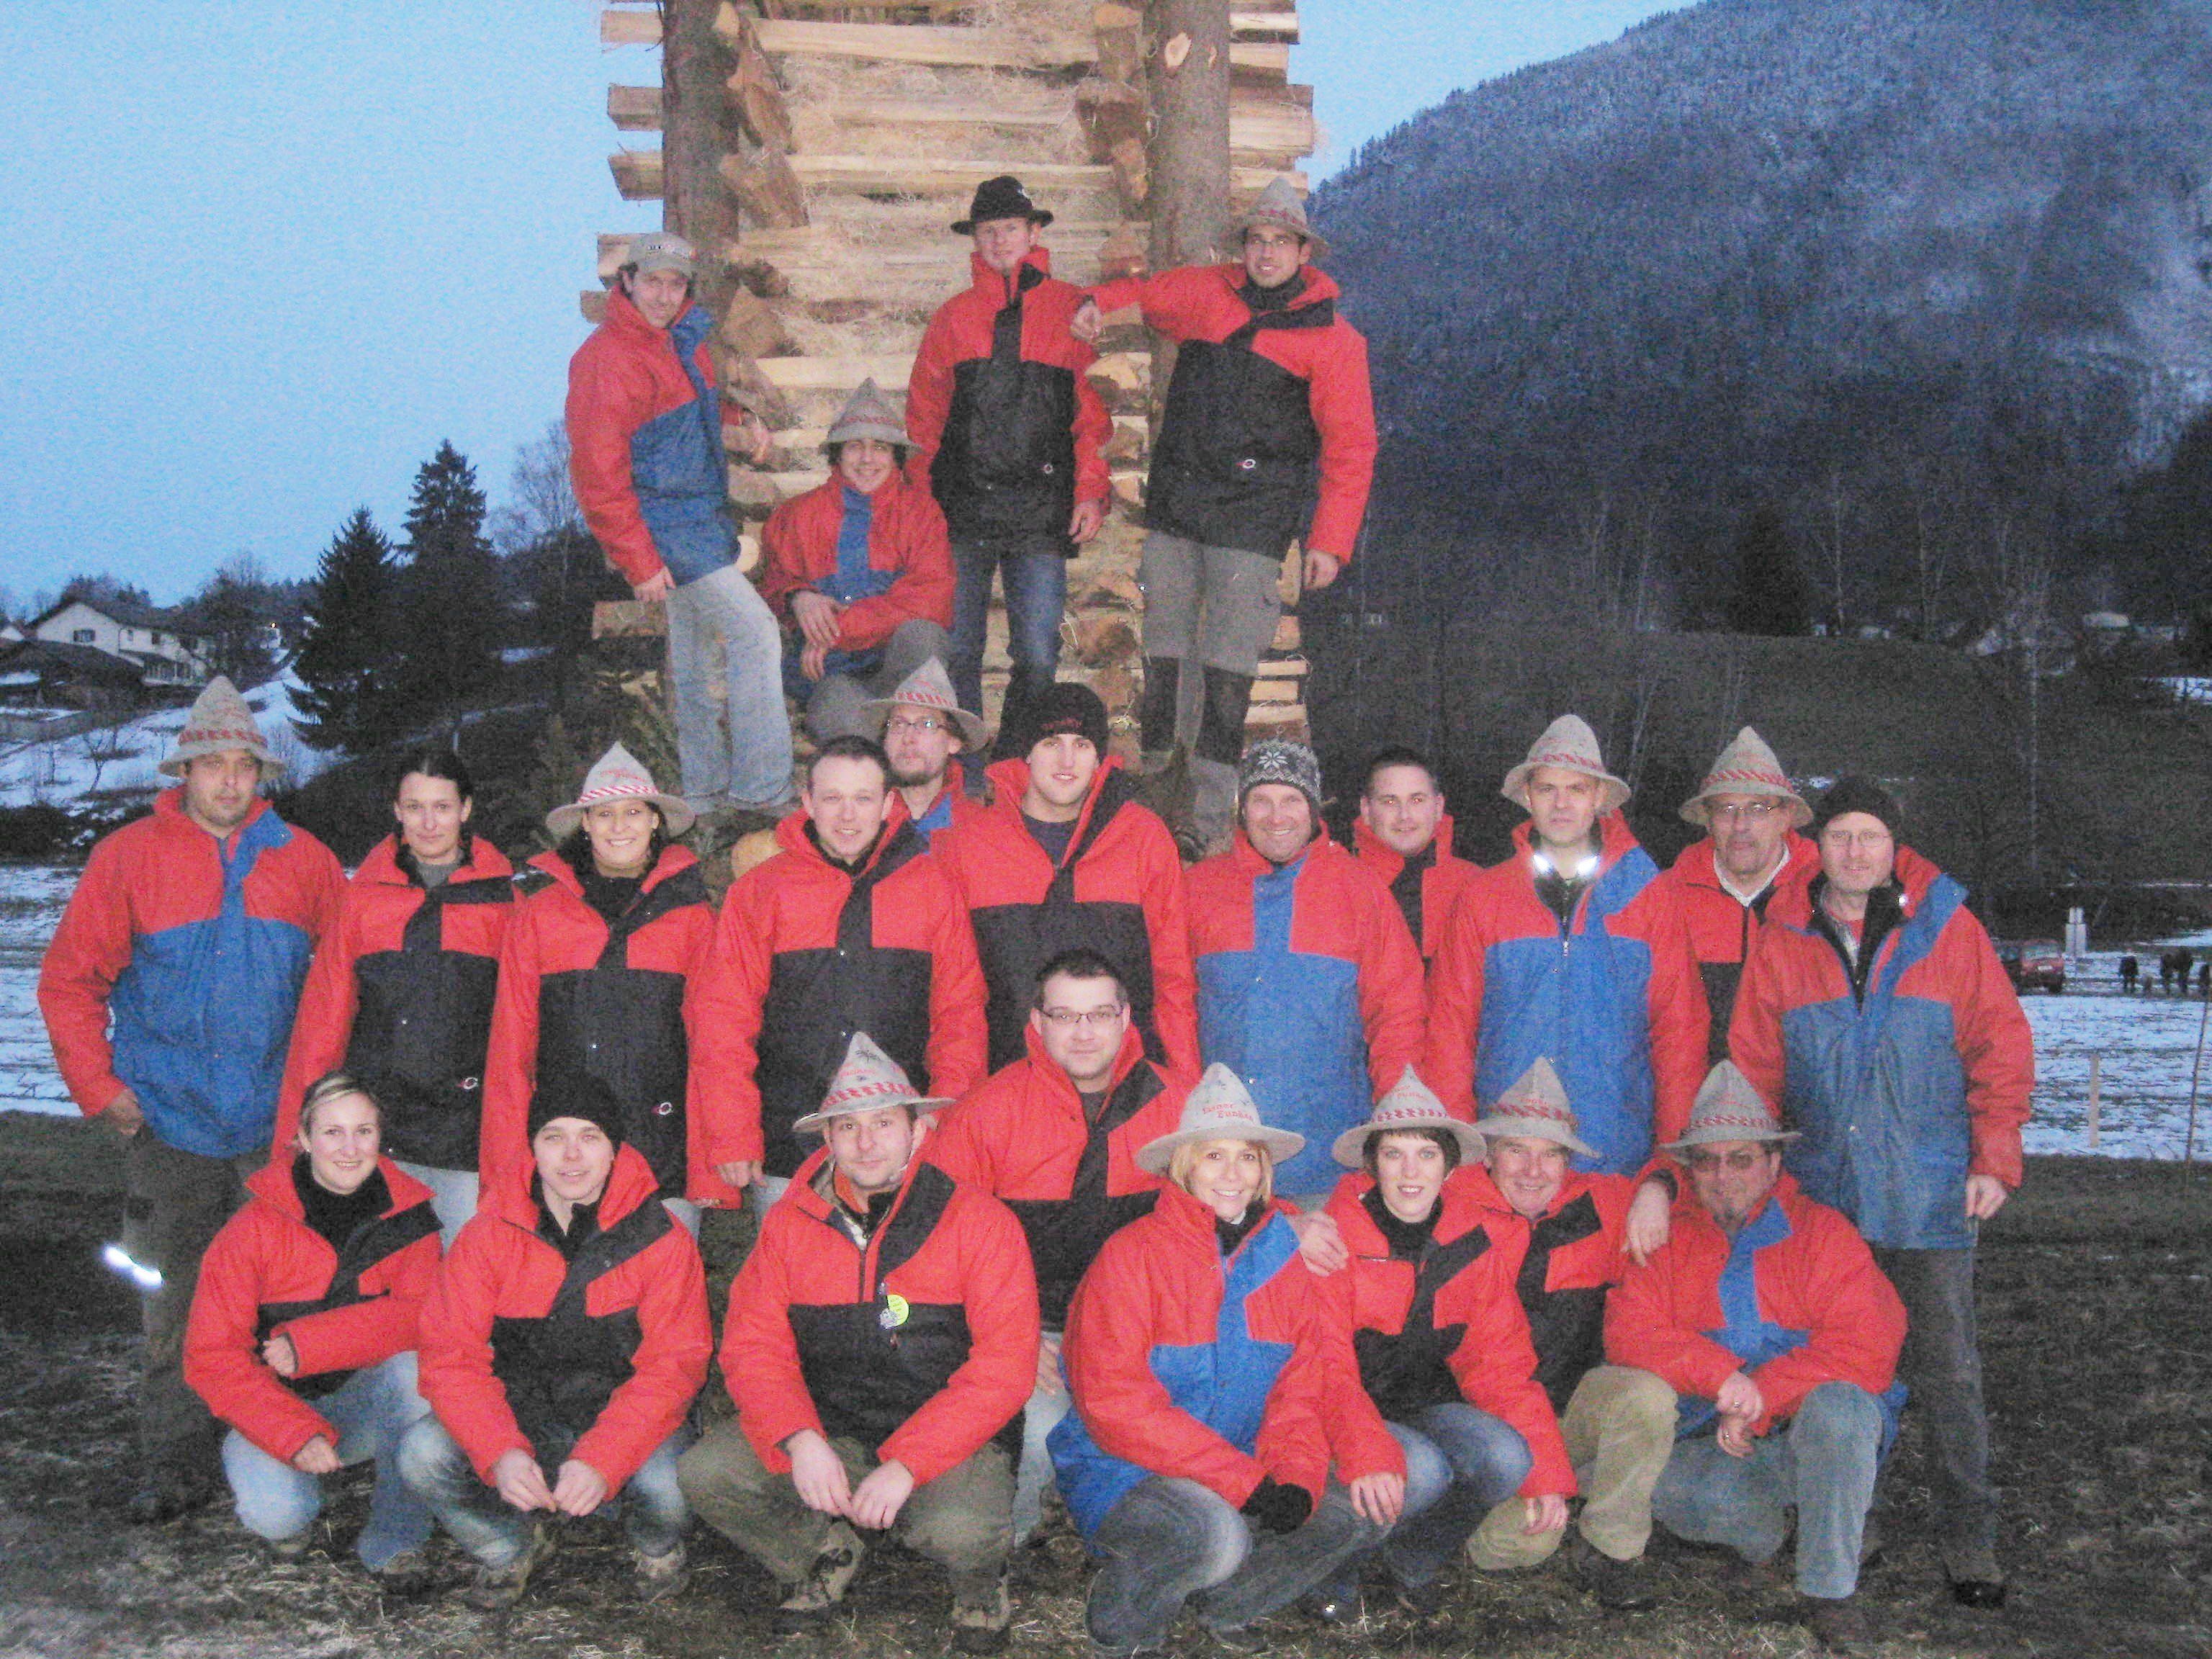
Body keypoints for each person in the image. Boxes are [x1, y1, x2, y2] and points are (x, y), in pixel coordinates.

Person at [40, 675, 344, 1521]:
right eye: (212, 765)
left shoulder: (306, 861)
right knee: (173, 1304)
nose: (228, 780)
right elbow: (69, 981)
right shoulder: (128, 857)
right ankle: (173, 1463)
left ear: (262, 774)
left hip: (274, 1133)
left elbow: (344, 985)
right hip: (168, 1126)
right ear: (183, 772)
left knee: (281, 1302)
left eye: (243, 765)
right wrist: (101, 1088)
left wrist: (322, 1105)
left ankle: (278, 1455)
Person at [1730, 777, 2033, 1607]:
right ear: (1816, 844)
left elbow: (2000, 1044)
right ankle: (1839, 1519)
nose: (1855, 851)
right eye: (1840, 836)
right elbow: (1754, 1068)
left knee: (1947, 1372)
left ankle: (1968, 1537)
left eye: (1870, 836)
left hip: (1928, 1195)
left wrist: (1994, 1157)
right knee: (1830, 1365)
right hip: (1825, 1200)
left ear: (1895, 846)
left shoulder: (1948, 929)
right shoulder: (1784, 938)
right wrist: (1753, 1176)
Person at [678, 1035, 1038, 1655]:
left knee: (960, 1529)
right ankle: (824, 1552)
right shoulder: (789, 1225)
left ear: (917, 1132)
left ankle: (981, 1586)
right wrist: (800, 1438)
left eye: (884, 1124)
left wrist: (908, 1464)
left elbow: (1003, 1369)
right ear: (828, 1139)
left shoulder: (979, 1222)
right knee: (708, 1473)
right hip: (833, 1423)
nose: (866, 1143)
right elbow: (753, 1346)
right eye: (848, 1127)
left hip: (945, 1433)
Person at [1049, 1066, 1403, 1653]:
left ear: (1265, 1169)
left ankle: (1227, 1604)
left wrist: (1294, 1478)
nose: (1233, 1175)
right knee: (1216, 1536)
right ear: (1183, 1166)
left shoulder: (1283, 1260)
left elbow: (1299, 1391)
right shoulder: (1131, 1256)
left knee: (1354, 1512)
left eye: (1248, 1158)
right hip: (1122, 1468)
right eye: (1214, 1156)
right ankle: (1124, 1626)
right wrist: (1246, 1484)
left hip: (1240, 1460)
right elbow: (1116, 1406)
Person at [1072, 176, 1377, 843]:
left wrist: (1330, 541)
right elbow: (1146, 294)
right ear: (1244, 246)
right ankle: (1157, 803)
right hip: (1179, 509)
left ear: (1304, 252)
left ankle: (1208, 824)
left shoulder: (1333, 338)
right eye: (1257, 240)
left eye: (1281, 242)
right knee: (1165, 658)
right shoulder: (1207, 292)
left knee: (1227, 672)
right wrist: (1097, 303)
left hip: (1254, 522)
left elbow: (1351, 448)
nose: (1266, 253)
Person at [1606, 1063, 1907, 1654]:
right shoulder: (1665, 1239)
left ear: (1774, 1163)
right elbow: (1628, 1334)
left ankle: (1830, 1590)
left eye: (1741, 1159)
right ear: (1689, 1170)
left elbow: (1870, 1345)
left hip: (1808, 1432)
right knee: (1627, 1482)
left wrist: (1762, 1394)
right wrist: (1721, 1379)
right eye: (1707, 1161)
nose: (1723, 1176)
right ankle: (1789, 1527)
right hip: (1716, 1443)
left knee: (1843, 1412)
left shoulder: (1823, 1233)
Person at [401, 1080, 709, 1608]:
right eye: (553, 1137)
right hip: (523, 1415)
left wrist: (603, 1458)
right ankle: (508, 1545)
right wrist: (500, 1451)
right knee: (422, 1454)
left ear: (615, 1148)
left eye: (589, 1137)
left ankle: (655, 1546)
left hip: (625, 1417)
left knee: (673, 1486)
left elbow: (675, 1366)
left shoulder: (661, 1238)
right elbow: (451, 1358)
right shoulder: (487, 1234)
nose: (571, 1156)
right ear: (532, 1147)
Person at [926, 948, 1193, 1543]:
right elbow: (937, 1243)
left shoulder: (1175, 1103)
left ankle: (1138, 1534)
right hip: (1034, 1329)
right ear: (1037, 1022)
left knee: (1175, 1420)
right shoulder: (988, 1112)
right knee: (1038, 1436)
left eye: (1099, 1014)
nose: (1084, 1032)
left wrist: (1292, 1223)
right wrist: (1007, 1336)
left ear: (1126, 1018)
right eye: (1065, 1016)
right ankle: (1012, 1544)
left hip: (1142, 1327)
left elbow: (1234, 1188)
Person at [1308, 1069, 1567, 1622]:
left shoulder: (1470, 1244)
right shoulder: (1333, 1240)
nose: (1410, 1172)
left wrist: (1546, 1472)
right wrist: (1365, 1449)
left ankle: (1411, 1562)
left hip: (1419, 1405)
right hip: (1335, 1411)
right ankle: (1331, 1569)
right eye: (1393, 1154)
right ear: (1372, 1164)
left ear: (1449, 1168)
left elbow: (1501, 1363)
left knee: (1507, 1456)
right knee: (1420, 1469)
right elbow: (1325, 1365)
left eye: (1426, 1155)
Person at [697, 735, 987, 1204]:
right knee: (790, 1253)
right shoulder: (760, 892)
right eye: (832, 798)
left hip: (901, 1141)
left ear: (888, 804)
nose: (848, 816)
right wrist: (733, 1131)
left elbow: (961, 1014)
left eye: (863, 799)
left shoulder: (932, 887)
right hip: (790, 1139)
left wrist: (943, 1114)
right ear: (808, 802)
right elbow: (723, 1019)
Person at [567, 230, 792, 821]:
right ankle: (763, 795)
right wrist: (639, 560)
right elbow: (596, 474)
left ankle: (704, 799)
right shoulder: (606, 359)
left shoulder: (679, 339)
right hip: (664, 527)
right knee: (756, 634)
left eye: (675, 284)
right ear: (627, 282)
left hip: (699, 516)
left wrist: (740, 416)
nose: (664, 296)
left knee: (693, 665)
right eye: (653, 282)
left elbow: (693, 405)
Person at [1424, 714, 1708, 1184]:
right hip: (1511, 1154)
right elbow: (1449, 1032)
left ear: (1599, 797)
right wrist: (1461, 1151)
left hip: (1616, 1153)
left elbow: (1680, 1034)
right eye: (1547, 789)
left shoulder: (1647, 896)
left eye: (1576, 789)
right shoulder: (1483, 897)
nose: (1561, 803)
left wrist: (1669, 1165)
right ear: (1527, 796)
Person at [184, 1074, 441, 1586]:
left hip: (365, 1400)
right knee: (279, 1515)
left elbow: (426, 1316)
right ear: (303, 1138)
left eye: (364, 1131)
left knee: (418, 1373)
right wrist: (294, 1434)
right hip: (276, 1408)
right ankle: (287, 1493)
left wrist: (310, 1344)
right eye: (332, 1132)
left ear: (380, 1137)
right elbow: (211, 1356)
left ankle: (397, 1540)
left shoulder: (409, 1217)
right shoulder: (251, 1230)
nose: (349, 1148)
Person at [1444, 1058, 1678, 1606]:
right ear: (1488, 1153)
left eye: (1550, 1153)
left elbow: (1713, 1182)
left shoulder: (1604, 1203)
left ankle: (1611, 1548)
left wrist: (1658, 1188)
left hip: (1563, 1412)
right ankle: (1457, 1523)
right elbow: (1366, 1194)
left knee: (1645, 1396)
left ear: (1569, 1161)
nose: (1533, 1170)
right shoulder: (1446, 1206)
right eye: (1516, 1150)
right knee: (1518, 1547)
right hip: (1479, 1426)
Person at [480, 745, 738, 1226]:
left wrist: (711, 1162)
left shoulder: (692, 918)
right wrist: (506, 1168)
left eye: (633, 812)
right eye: (604, 814)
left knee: (666, 1273)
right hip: (566, 1159)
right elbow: (511, 1047)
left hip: (663, 1152)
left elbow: (715, 1046)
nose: (619, 826)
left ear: (656, 821)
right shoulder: (539, 917)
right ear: (586, 824)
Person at [906, 176, 1112, 765]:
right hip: (962, 508)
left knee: (1039, 656)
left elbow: (1090, 418)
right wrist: (922, 504)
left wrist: (1091, 493)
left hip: (1041, 511)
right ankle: (967, 770)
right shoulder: (953, 318)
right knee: (959, 651)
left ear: (1034, 233)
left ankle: (1019, 767)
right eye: (988, 230)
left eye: (1011, 229)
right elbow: (923, 418)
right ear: (975, 239)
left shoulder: (1070, 310)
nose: (999, 240)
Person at [274, 751, 513, 1244]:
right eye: (415, 807)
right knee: (379, 1272)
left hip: (467, 1137)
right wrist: (299, 1125)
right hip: (376, 1134)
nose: (429, 823)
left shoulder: (504, 904)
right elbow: (324, 1021)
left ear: (466, 810)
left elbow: (521, 1029)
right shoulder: (362, 901)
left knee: (463, 1272)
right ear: (397, 811)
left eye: (442, 807)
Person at [1185, 739, 1426, 1202]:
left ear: (1314, 809)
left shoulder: (1360, 889)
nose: (1277, 816)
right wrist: (1183, 1107)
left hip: (1329, 1155)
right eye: (1262, 800)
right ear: (1242, 808)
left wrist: (1397, 1119)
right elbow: (1172, 1007)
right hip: (1221, 1159)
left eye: (1292, 800)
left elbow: (1398, 1014)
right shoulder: (1198, 889)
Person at [933, 681, 1199, 1074]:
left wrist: (1184, 1085)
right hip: (1011, 1086)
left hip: (1126, 1087)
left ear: (1099, 757)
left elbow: (1173, 978)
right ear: (1027, 752)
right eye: (1051, 743)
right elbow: (957, 996)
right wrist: (961, 1096)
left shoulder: (1143, 837)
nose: (1067, 760)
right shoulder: (970, 845)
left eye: (1082, 744)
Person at [758, 379, 957, 745]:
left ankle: (917, 755)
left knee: (924, 636)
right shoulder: (796, 515)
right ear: (837, 455)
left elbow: (930, 600)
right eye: (855, 446)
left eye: (880, 447)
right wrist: (797, 596)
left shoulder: (920, 513)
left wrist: (838, 630)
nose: (867, 459)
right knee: (844, 721)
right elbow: (771, 585)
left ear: (896, 457)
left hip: (896, 665)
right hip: (831, 674)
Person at [1655, 728, 1818, 1065]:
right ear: (1708, 821)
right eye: (1726, 808)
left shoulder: (1826, 897)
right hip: (1696, 1093)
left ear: (1785, 817)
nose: (1740, 825)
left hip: (1799, 1094)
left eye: (1757, 808)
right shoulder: (1664, 901)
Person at [1350, 746, 1478, 967]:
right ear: (1366, 810)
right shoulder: (1339, 886)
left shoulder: (1475, 886)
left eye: (1417, 800)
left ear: (1438, 806)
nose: (1404, 816)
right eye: (1390, 802)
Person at [863, 655, 988, 845]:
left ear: (953, 742)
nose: (908, 738)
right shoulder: (853, 821)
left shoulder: (981, 831)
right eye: (898, 724)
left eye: (927, 724)